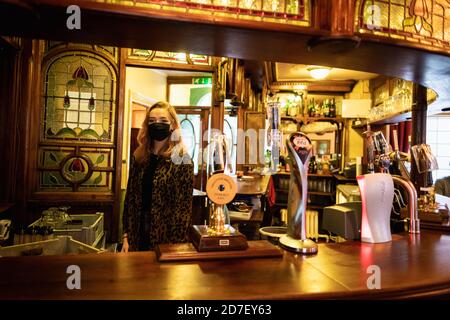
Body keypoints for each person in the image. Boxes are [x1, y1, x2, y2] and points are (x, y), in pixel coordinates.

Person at [121, 101, 194, 252]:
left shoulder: (182, 159)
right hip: (137, 236)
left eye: (163, 121)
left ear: (172, 125)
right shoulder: (139, 156)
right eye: (152, 121)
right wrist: (126, 237)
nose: (157, 124)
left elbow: (183, 210)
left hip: (166, 241)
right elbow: (130, 198)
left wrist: (175, 247)